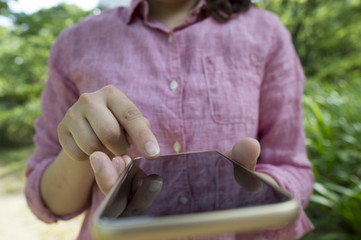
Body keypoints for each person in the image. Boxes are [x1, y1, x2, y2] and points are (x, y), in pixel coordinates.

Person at [24, 0, 314, 239]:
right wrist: (85, 145)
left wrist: (245, 190)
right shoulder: (74, 42)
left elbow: (293, 166)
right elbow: (48, 202)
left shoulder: (265, 31)